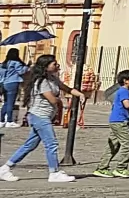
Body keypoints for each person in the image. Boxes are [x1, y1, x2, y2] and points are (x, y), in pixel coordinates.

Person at [0, 55, 77, 183]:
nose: (57, 66)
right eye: (54, 64)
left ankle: (5, 168)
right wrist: (61, 101)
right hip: (39, 116)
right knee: (51, 144)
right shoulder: (41, 82)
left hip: (43, 116)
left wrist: (78, 94)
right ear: (45, 67)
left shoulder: (53, 79)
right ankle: (54, 172)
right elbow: (52, 99)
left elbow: (66, 88)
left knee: (29, 145)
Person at [92, 69, 129, 178]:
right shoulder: (124, 91)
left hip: (115, 120)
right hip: (120, 121)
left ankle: (102, 168)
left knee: (113, 146)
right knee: (128, 144)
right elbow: (127, 105)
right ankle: (121, 168)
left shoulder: (122, 91)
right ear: (126, 81)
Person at [0, 48, 24, 128]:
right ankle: (9, 121)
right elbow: (21, 71)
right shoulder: (16, 63)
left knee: (6, 102)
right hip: (12, 82)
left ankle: (2, 120)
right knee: (11, 102)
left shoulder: (3, 64)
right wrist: (27, 67)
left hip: (4, 83)